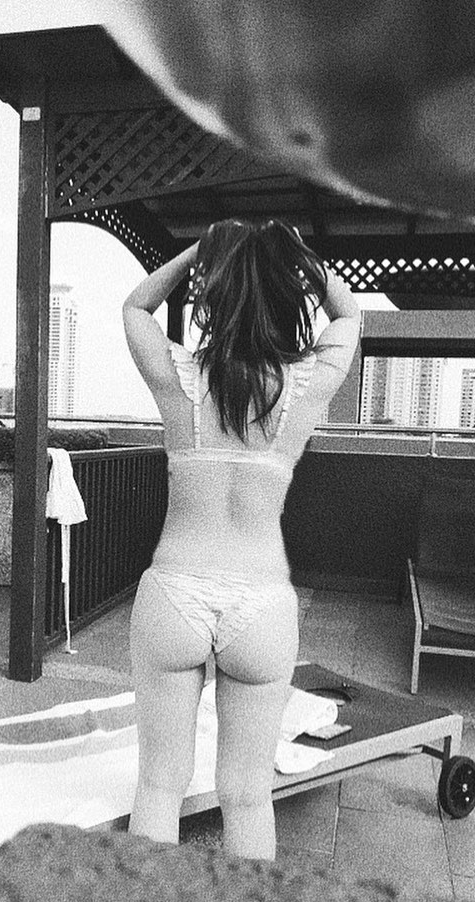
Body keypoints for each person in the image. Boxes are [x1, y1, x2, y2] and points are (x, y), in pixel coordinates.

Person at [122, 218, 361, 860]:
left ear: (213, 296)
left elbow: (136, 306)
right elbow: (349, 314)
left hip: (174, 594)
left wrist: (200, 251)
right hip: (261, 606)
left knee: (158, 786)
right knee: (249, 796)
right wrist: (297, 256)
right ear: (289, 297)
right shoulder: (305, 384)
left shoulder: (179, 375)